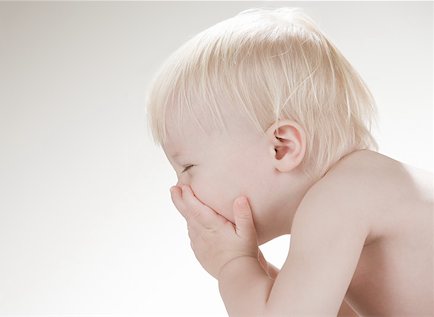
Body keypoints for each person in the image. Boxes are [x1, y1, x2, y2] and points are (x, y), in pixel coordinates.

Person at [145, 7, 433, 317]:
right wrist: (256, 270)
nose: (180, 188)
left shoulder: (339, 199)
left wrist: (232, 264)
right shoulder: (354, 192)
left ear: (281, 148)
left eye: (188, 167)